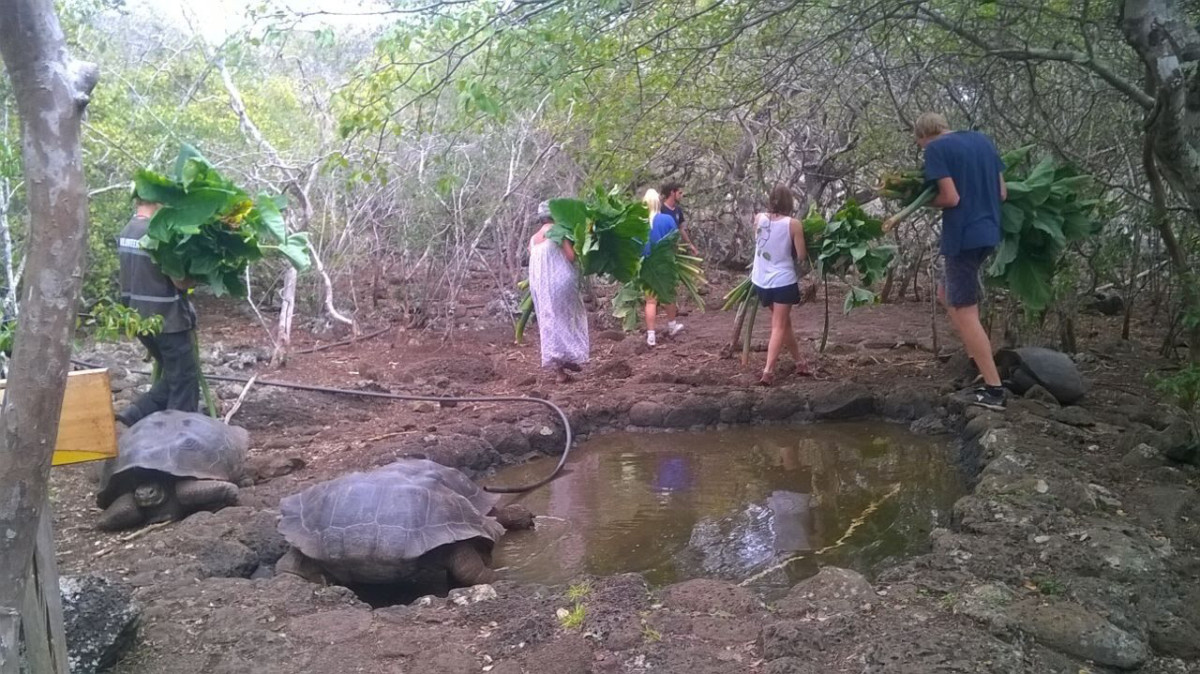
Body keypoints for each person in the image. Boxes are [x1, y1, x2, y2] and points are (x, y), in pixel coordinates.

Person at [915, 112, 1007, 410]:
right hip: (989, 231)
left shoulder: (936, 149)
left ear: (923, 136)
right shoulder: (982, 140)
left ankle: (993, 390)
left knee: (965, 312)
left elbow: (950, 198)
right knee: (947, 295)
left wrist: (923, 200)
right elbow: (1002, 193)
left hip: (963, 237)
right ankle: (977, 359)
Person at [114, 196, 201, 427]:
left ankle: (134, 414)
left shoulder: (127, 231)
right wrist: (199, 272)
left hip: (137, 319)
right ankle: (177, 434)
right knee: (184, 381)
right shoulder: (159, 233)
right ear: (158, 201)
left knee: (175, 374)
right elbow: (181, 282)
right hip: (166, 318)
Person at [750, 184, 813, 386]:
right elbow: (802, 256)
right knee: (778, 326)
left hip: (761, 280)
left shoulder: (759, 218)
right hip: (782, 281)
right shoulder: (793, 224)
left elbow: (758, 243)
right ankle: (768, 372)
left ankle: (800, 362)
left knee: (784, 324)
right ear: (790, 202)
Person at [528, 200, 589, 382]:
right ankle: (570, 356)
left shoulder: (533, 239)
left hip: (541, 287)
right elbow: (570, 256)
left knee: (550, 322)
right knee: (569, 317)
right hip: (561, 282)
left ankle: (560, 370)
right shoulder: (558, 231)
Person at [641, 188, 684, 347]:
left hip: (647, 265)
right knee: (668, 295)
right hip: (665, 263)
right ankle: (672, 326)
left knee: (650, 301)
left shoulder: (639, 222)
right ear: (658, 203)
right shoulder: (667, 219)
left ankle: (651, 336)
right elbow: (674, 241)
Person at [659, 181, 698, 256]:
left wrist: (690, 245)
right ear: (672, 193)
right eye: (680, 193)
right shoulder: (661, 209)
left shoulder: (678, 210)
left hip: (674, 248)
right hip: (662, 249)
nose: (682, 195)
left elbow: (681, 228)